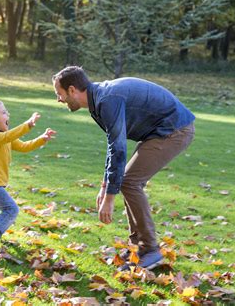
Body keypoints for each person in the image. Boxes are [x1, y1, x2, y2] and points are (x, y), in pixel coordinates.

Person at [52, 66, 195, 270]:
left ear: (72, 90)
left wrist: (110, 198)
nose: (59, 99)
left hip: (174, 130)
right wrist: (105, 185)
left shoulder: (106, 100)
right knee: (129, 181)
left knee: (130, 182)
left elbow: (119, 148)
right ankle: (138, 247)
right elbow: (113, 147)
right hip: (158, 132)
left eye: (60, 94)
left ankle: (150, 249)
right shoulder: (98, 101)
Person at [0, 99, 56, 255]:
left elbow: (24, 146)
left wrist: (42, 139)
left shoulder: (5, 136)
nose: (8, 114)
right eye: (4, 112)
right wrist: (28, 124)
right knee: (11, 209)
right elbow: (8, 137)